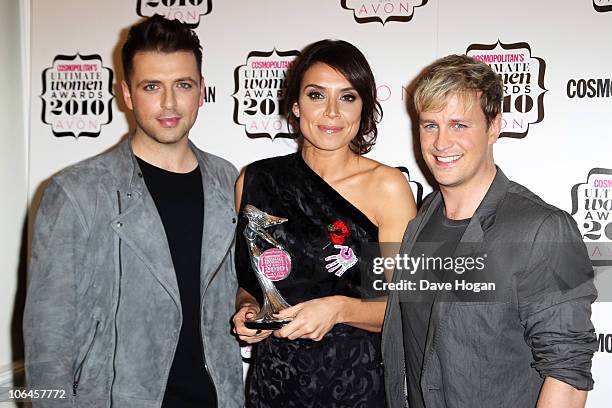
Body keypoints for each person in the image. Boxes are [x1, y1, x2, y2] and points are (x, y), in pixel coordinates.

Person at [23, 15, 243, 407]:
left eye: (183, 85)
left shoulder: (227, 180)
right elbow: (47, 345)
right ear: (126, 93)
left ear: (202, 91)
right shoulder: (75, 192)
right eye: (151, 86)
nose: (170, 103)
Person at [381, 54, 598, 408]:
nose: (440, 142)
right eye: (430, 125)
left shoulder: (543, 229)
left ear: (493, 126)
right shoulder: (420, 224)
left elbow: (568, 375)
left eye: (459, 125)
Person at [232, 39, 417, 407]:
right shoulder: (254, 180)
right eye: (317, 95)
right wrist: (247, 310)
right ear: (296, 105)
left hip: (357, 386)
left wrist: (339, 309)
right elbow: (247, 284)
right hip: (273, 385)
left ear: (364, 108)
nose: (332, 112)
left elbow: (408, 306)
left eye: (347, 97)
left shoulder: (388, 187)